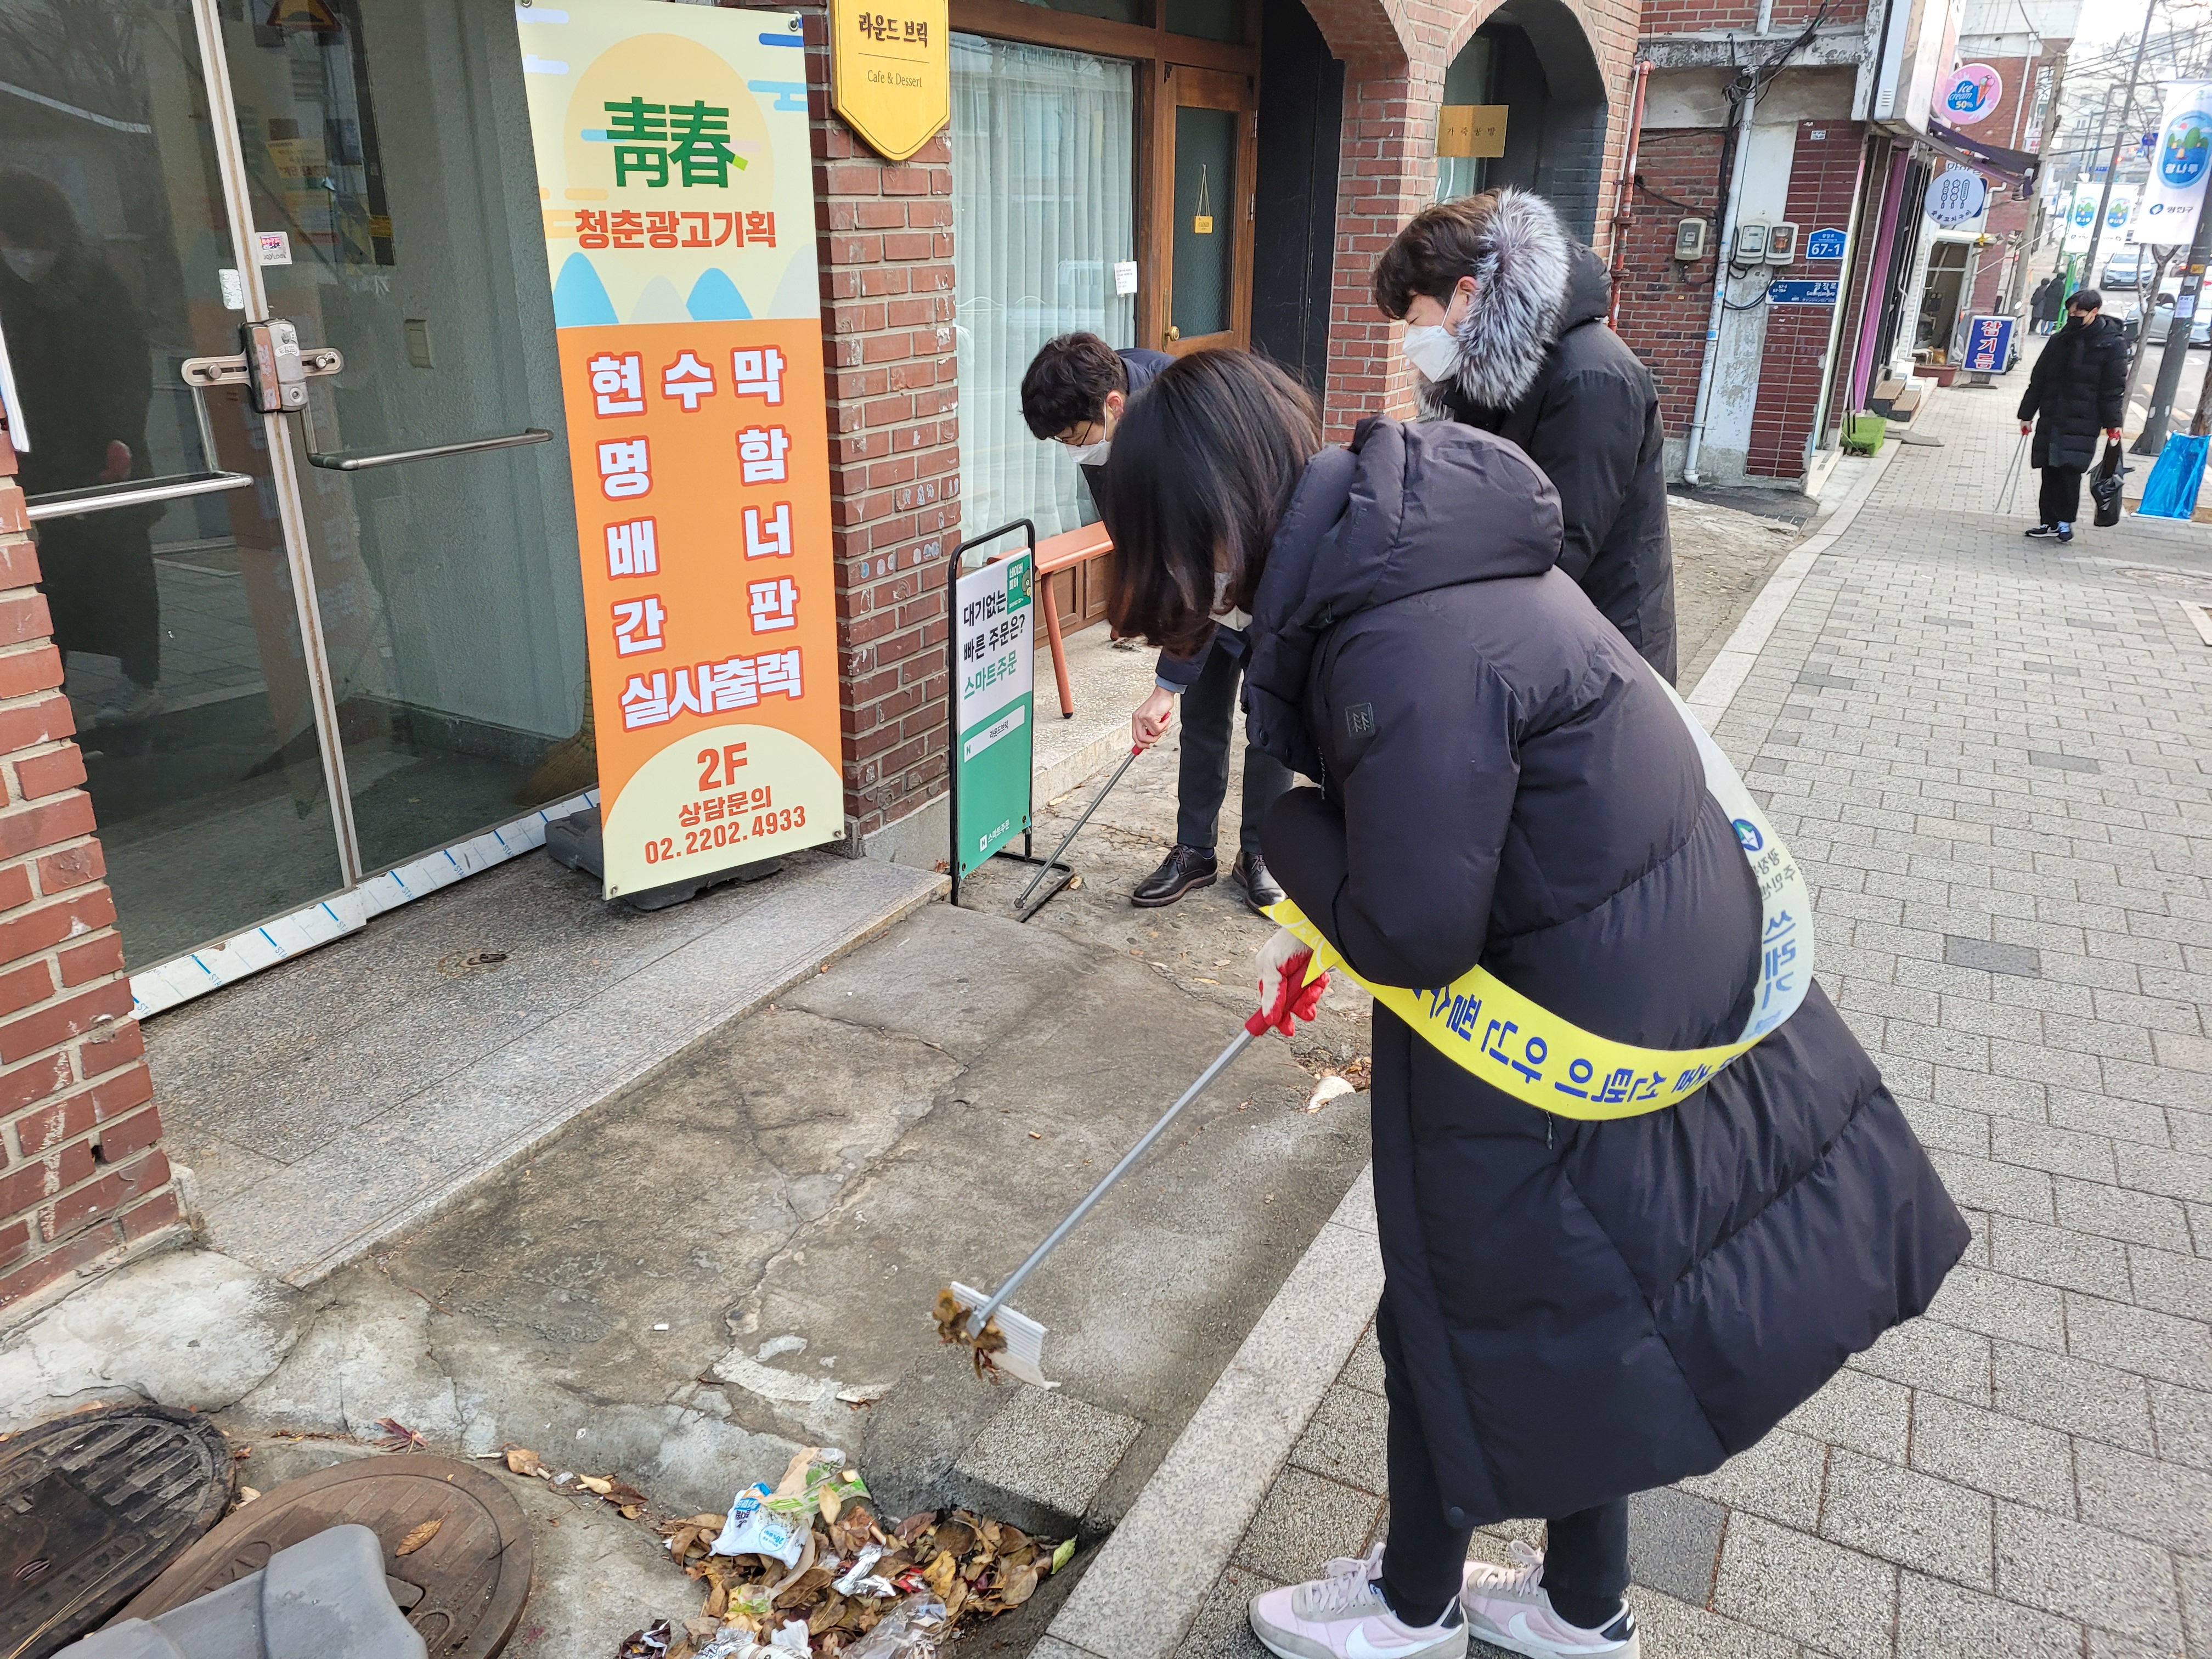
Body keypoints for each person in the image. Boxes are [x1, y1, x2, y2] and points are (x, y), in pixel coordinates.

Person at [1104, 349, 1969, 1659]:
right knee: (1576, 1307)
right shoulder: (1417, 554)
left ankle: (1410, 1610)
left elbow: (1413, 932)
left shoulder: (1396, 633)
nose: (1175, 587)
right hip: (1632, 966)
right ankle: (1580, 1608)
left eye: (1163, 548)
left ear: (1214, 517)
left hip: (1566, 1007)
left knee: (1453, 1310)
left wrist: (1285, 827)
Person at [1023, 331, 1292, 913]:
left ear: (1113, 406)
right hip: (1200, 580)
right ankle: (1195, 850)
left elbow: (1204, 568)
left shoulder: (1187, 425)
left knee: (1270, 724)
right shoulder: (1107, 414)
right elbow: (1151, 549)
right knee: (1202, 718)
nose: (1074, 453)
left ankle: (1263, 853)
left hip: (1259, 583)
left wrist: (1165, 683)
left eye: (1074, 439)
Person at [1373, 188, 1676, 682]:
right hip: (1542, 637)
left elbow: (1561, 544)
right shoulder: (1498, 373)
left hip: (1602, 655)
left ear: (1466, 296)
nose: (1412, 340)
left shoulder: (1591, 376)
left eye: (1415, 320)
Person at [0, 167, 161, 725]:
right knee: (44, 578)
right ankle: (51, 692)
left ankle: (140, 680)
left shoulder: (95, 282)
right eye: (14, 242)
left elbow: (128, 365)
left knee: (126, 570)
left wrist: (121, 432)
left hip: (104, 454)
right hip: (32, 457)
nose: (26, 256)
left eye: (34, 242)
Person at [2017, 288, 2126, 543]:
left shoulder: (2111, 344)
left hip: (2084, 418)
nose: (2073, 317)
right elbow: (2039, 379)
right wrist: (2027, 414)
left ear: (2094, 312)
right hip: (2053, 413)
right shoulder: (2059, 340)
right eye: (2070, 313)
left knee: (2069, 470)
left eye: (2078, 314)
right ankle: (2048, 521)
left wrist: (2113, 424)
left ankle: (2065, 521)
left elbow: (2113, 388)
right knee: (2049, 469)